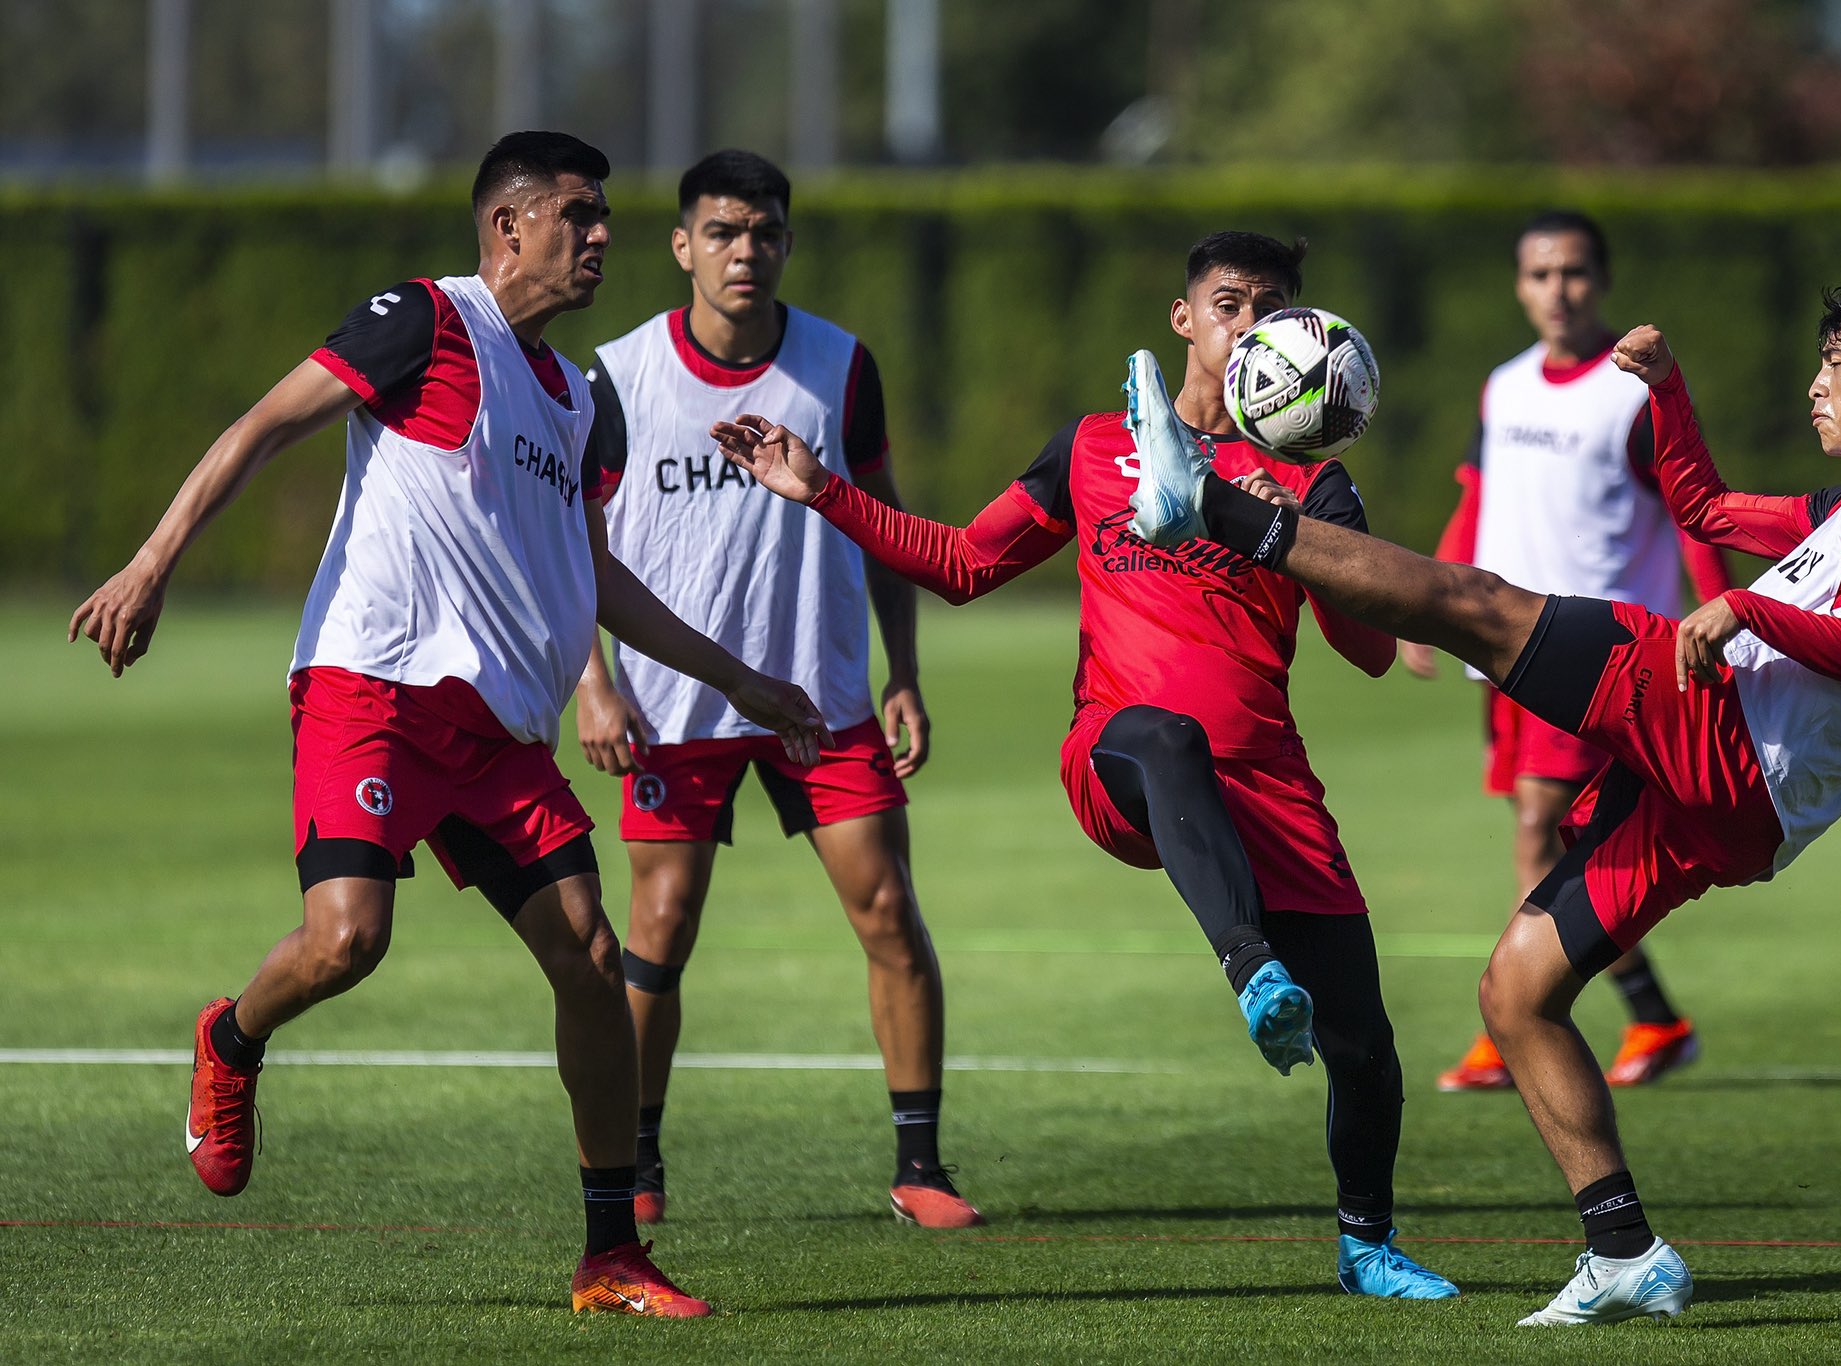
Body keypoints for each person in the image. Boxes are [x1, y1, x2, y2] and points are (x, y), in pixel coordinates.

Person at [68, 131, 829, 1320]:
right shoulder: (427, 321)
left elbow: (599, 584)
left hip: (499, 738)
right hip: (369, 691)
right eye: (577, 213)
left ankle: (610, 1255)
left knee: (590, 959)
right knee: (347, 942)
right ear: (505, 227)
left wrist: (742, 679)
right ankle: (233, 1034)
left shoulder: (579, 397)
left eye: (603, 216)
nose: (600, 236)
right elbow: (265, 423)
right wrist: (153, 561)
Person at [1123, 285, 1841, 1325]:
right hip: (1738, 803)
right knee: (1515, 990)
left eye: (1835, 360)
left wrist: (1744, 604)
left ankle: (1208, 506)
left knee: (1474, 605)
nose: (1815, 381)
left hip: (1721, 734)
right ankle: (1621, 1248)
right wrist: (1666, 394)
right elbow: (1705, 510)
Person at [711, 231, 1459, 1299]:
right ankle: (1247, 965)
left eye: (1273, 309)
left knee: (1365, 1043)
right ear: (1182, 318)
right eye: (1229, 303)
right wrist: (823, 489)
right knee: (1165, 734)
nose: (1250, 326)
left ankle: (1366, 1244)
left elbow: (1372, 653)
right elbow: (967, 563)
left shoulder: (1308, 484)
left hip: (1266, 785)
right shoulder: (1095, 447)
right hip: (1118, 761)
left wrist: (1295, 538)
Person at [575, 149, 977, 1231]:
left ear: (787, 244)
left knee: (888, 908)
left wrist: (904, 673)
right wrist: (592, 682)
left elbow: (886, 526)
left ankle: (921, 1168)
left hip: (822, 701)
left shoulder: (839, 366)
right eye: (720, 232)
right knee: (659, 924)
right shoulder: (617, 375)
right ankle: (638, 1159)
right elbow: (567, 542)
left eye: (761, 233)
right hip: (672, 708)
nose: (742, 251)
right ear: (681, 246)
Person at [1411, 210, 1732, 1093]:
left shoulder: (1632, 391)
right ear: (1520, 286)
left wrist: (1723, 609)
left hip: (1597, 649)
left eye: (1575, 273)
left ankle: (1517, 1017)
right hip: (1504, 651)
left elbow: (1692, 509)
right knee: (1547, 841)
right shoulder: (1505, 386)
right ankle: (1650, 1016)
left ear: (1603, 280)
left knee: (1537, 830)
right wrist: (1423, 602)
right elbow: (1478, 501)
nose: (1559, 290)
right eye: (1541, 274)